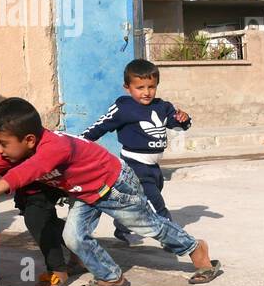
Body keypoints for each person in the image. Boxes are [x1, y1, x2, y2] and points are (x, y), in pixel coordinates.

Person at [0, 97, 222, 286]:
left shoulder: (53, 147)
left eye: (3, 144)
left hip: (114, 186)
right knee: (73, 236)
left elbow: (27, 171)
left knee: (148, 226)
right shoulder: (19, 149)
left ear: (29, 140)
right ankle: (110, 276)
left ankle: (194, 247)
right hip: (86, 193)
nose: (0, 151)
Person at [80, 59, 191, 231]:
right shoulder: (124, 107)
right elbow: (100, 126)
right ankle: (177, 238)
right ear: (127, 88)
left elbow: (177, 124)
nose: (146, 92)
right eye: (140, 88)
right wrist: (78, 142)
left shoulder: (163, 106)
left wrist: (184, 119)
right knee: (156, 205)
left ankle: (123, 226)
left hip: (154, 168)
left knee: (145, 199)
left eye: (151, 87)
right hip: (134, 166)